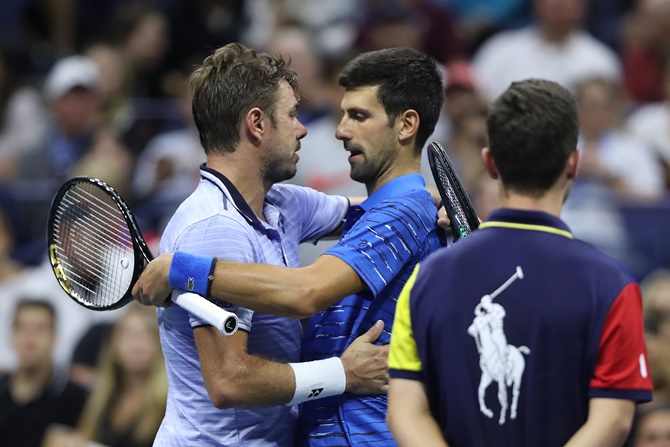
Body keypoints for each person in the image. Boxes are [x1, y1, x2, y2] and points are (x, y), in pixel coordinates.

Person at [133, 46, 445, 447]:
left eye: (359, 115)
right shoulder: (216, 228)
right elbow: (229, 381)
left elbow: (369, 210)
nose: (306, 130)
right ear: (257, 124)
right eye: (293, 115)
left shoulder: (282, 204)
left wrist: (430, 204)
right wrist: (342, 374)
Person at [386, 79, 653, 447]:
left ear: (490, 162)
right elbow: (614, 419)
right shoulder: (612, 283)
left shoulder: (426, 279)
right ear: (573, 163)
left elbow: (406, 411)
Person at [45, 303, 167, 447]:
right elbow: (85, 438)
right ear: (114, 344)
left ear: (160, 343)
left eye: (146, 335)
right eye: (128, 334)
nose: (136, 344)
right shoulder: (102, 398)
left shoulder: (168, 404)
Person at [0, 299, 88, 447]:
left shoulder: (75, 398)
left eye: (39, 329)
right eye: (21, 328)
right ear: (11, 335)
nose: (29, 338)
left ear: (54, 336)